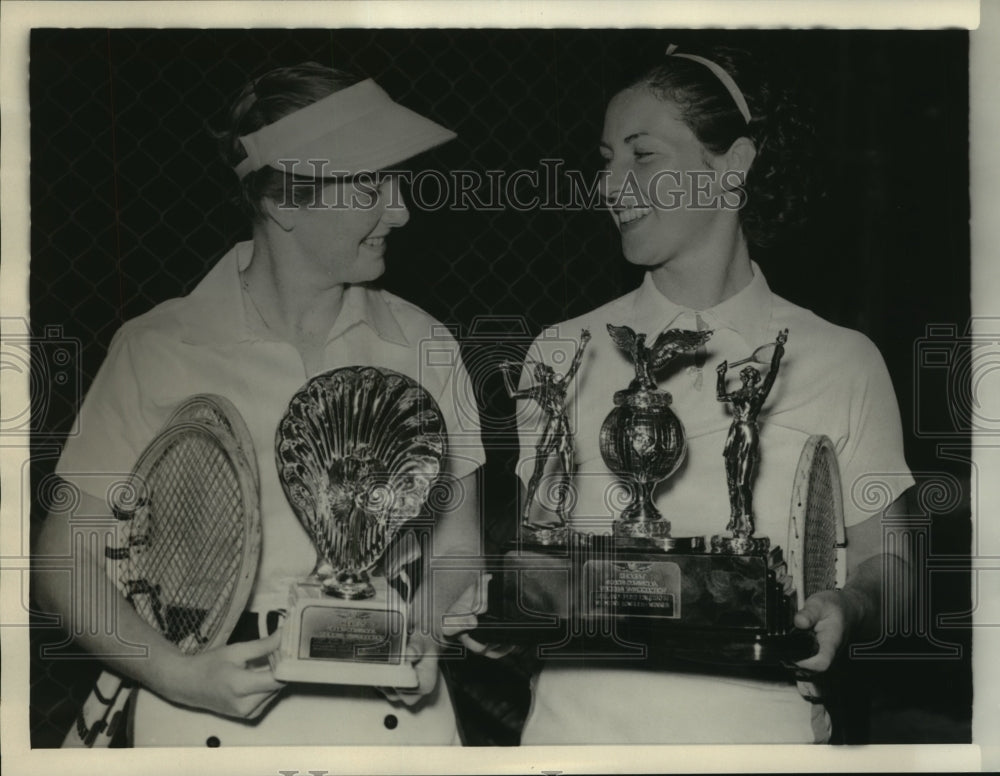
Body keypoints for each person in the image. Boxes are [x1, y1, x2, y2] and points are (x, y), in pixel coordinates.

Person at [34, 62, 486, 746]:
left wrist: (419, 635)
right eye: (370, 184)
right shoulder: (156, 345)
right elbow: (64, 558)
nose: (400, 209)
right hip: (199, 708)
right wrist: (178, 676)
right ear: (284, 202)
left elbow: (458, 550)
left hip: (390, 722)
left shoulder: (427, 343)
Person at [506, 45, 913, 744]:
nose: (612, 185)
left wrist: (849, 603)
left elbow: (896, 569)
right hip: (576, 736)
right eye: (607, 160)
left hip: (758, 737)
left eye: (644, 156)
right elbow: (538, 563)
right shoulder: (562, 350)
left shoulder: (841, 359)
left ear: (734, 165)